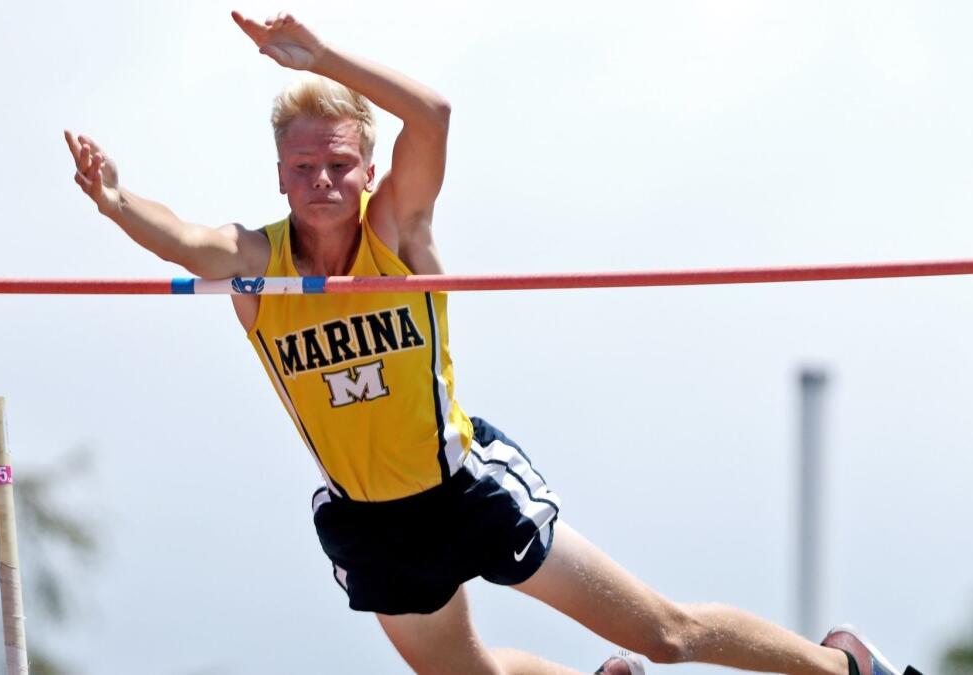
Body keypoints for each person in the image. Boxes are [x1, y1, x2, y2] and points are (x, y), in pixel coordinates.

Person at [65, 10, 916, 675]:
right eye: (302, 168)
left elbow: (431, 113)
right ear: (278, 173)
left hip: (464, 490)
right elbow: (179, 237)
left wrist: (319, 59)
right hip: (368, 522)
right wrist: (113, 199)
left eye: (338, 164)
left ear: (365, 169)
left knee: (663, 632)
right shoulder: (260, 265)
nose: (321, 182)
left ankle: (843, 664)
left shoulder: (400, 228)